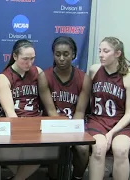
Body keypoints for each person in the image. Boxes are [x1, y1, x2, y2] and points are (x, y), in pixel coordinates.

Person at [38, 36, 91, 180]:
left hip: (75, 124)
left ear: (73, 55)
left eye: (66, 54)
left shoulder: (83, 78)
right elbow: (51, 111)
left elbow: (80, 111)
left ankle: (77, 177)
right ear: (53, 55)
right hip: (53, 124)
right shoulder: (44, 76)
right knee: (58, 148)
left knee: (83, 149)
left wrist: (72, 133)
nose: (61, 58)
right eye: (57, 54)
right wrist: (63, 134)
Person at [86, 37, 130, 180]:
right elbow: (88, 98)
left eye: (106, 51)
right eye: (100, 51)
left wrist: (111, 133)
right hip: (97, 120)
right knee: (98, 149)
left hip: (121, 123)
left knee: (120, 150)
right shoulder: (94, 70)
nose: (101, 55)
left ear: (117, 54)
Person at [0, 39, 43, 180]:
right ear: (15, 56)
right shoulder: (4, 77)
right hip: (14, 124)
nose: (29, 63)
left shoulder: (38, 72)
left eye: (32, 59)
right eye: (25, 59)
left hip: (35, 122)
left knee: (44, 151)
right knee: (6, 153)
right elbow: (10, 113)